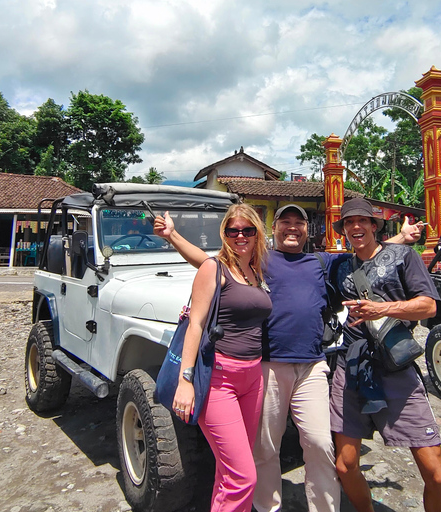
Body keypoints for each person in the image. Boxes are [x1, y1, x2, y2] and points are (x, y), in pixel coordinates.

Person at [156, 204, 422, 512]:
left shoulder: (322, 262)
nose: (292, 227)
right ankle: (268, 507)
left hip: (311, 365)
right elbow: (208, 263)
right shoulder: (259, 261)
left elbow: (367, 252)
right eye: (285, 222)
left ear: (308, 230)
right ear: (273, 229)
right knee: (265, 449)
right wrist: (173, 236)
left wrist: (401, 239)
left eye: (299, 222)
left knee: (321, 443)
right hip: (267, 366)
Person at [329, 198, 441, 512]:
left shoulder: (404, 257)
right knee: (345, 465)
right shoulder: (340, 266)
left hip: (395, 366)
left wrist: (381, 309)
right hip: (352, 366)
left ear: (373, 226)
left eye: (362, 221)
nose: (355, 227)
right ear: (343, 229)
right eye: (348, 222)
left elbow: (429, 306)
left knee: (435, 473)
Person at [173, 203, 272, 512]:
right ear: (225, 234)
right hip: (219, 378)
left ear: (257, 234)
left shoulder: (254, 270)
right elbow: (196, 324)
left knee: (229, 470)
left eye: (247, 230)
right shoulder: (214, 268)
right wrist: (185, 381)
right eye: (233, 230)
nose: (240, 235)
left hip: (252, 378)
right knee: (244, 477)